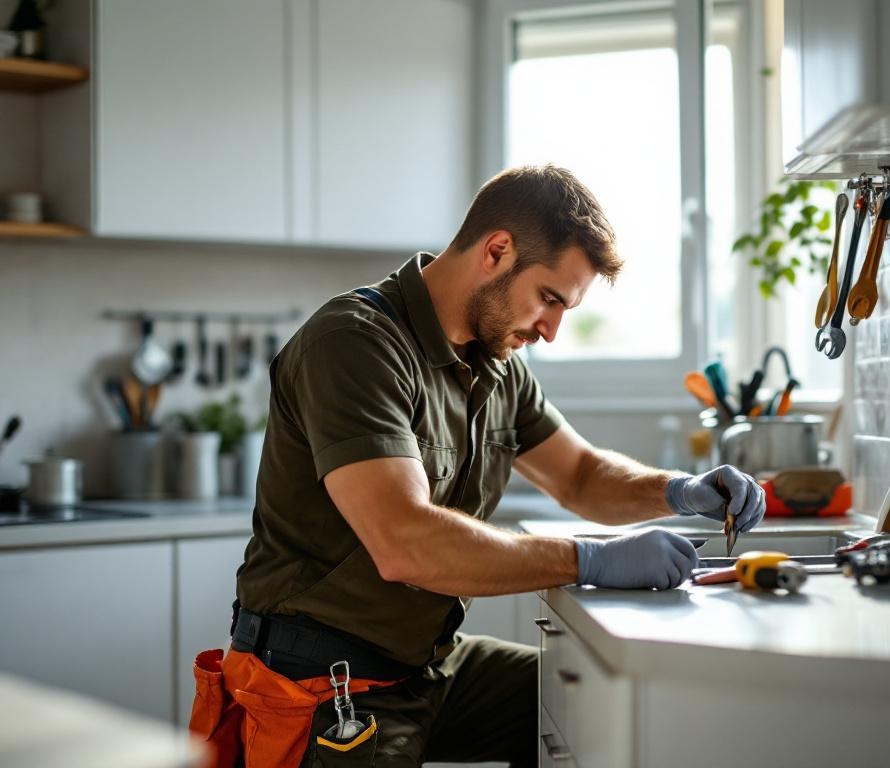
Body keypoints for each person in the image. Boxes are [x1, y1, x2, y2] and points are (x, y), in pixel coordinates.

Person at [196, 165, 765, 768]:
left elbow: (578, 476)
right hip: (323, 685)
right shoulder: (355, 343)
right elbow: (405, 543)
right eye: (549, 299)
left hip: (426, 666)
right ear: (497, 251)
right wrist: (590, 559)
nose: (550, 330)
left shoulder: (495, 360)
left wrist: (680, 491)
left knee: (609, 703)